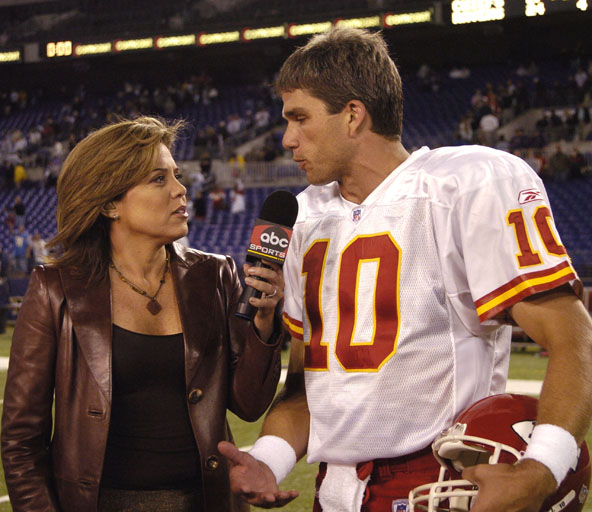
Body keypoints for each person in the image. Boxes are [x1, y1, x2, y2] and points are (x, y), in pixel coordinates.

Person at [218, 27, 592, 511]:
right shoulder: (304, 218)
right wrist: (268, 458)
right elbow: (308, 385)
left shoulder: (464, 184)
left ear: (353, 115)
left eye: (299, 117)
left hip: (438, 481)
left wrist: (543, 467)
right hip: (333, 492)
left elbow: (572, 336)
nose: (287, 138)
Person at [1, 116, 285, 512]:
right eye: (158, 179)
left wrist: (264, 324)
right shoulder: (56, 290)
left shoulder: (215, 275)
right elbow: (21, 440)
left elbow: (250, 404)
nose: (181, 190)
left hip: (205, 501)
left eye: (177, 175)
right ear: (109, 203)